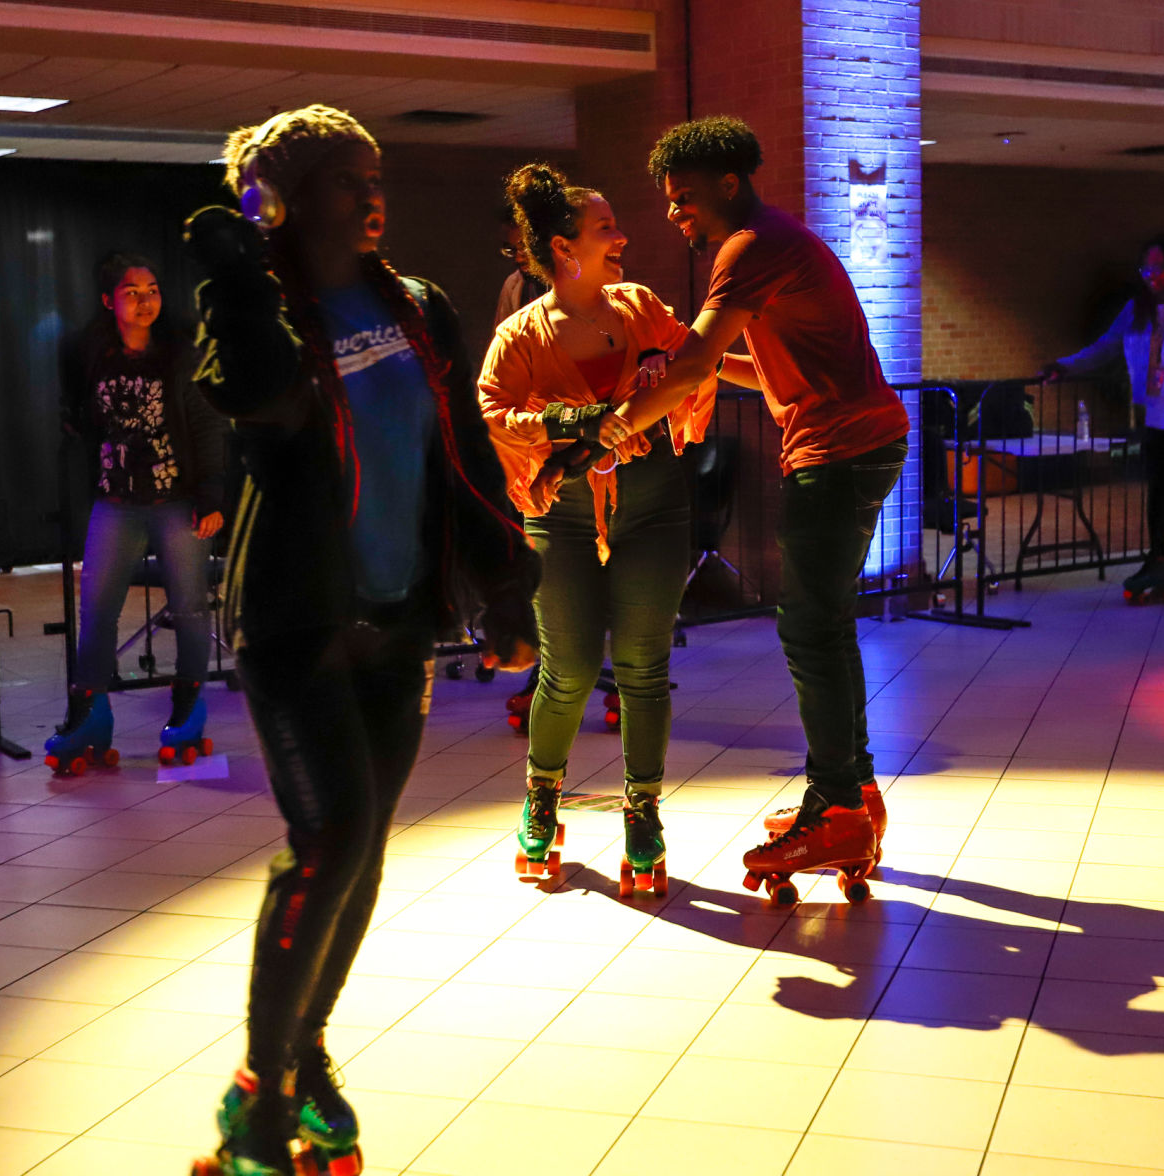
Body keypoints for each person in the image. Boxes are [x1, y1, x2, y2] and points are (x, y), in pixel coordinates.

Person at [184, 105, 540, 1175]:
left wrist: (505, 586)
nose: (370, 197)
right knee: (328, 840)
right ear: (279, 199)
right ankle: (262, 1091)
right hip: (295, 620)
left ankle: (302, 1062)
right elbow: (258, 398)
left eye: (374, 176)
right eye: (345, 180)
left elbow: (462, 454)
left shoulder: (420, 308)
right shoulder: (265, 312)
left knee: (361, 859)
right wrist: (239, 270)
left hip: (396, 623)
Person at [593, 115, 908, 902]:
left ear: (727, 184)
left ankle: (835, 803)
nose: (674, 215)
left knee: (807, 626)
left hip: (835, 454)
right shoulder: (775, 243)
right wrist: (686, 370)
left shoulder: (750, 245)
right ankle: (852, 794)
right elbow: (743, 367)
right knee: (823, 625)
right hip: (856, 444)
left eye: (683, 198)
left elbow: (700, 356)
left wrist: (613, 431)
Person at [479, 163, 714, 894]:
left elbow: (696, 362)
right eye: (605, 227)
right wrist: (570, 420)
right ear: (563, 247)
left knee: (644, 667)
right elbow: (492, 414)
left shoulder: (638, 306)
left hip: (652, 504)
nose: (622, 238)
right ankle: (542, 802)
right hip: (561, 514)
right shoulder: (519, 336)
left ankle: (642, 812)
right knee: (571, 668)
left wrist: (783, 371)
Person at [43, 253, 226, 774]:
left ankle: (189, 709)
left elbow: (209, 426)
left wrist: (212, 495)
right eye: (131, 291)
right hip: (115, 500)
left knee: (190, 607)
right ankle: (89, 713)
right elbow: (82, 417)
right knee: (97, 610)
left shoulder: (181, 356)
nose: (144, 300)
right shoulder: (93, 356)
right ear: (109, 301)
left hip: (177, 501)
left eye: (152, 290)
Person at [1040, 233, 1164, 613]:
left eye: (1160, 268)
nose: (1152, 275)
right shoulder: (1136, 311)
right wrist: (1063, 366)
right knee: (1158, 490)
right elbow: (1105, 347)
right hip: (1157, 413)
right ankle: (1158, 560)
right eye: (1146, 268)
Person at [493, 216, 549, 329]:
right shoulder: (512, 284)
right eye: (512, 250)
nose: (518, 259)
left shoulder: (568, 280)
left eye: (524, 247)